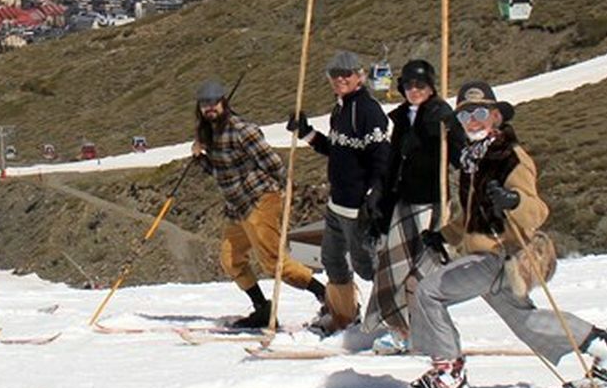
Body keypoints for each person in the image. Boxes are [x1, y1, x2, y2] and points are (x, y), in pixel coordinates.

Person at [408, 81, 607, 388]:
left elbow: (537, 210)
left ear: (496, 117)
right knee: (527, 322)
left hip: (500, 254)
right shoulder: (475, 160)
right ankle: (606, 347)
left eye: (480, 112)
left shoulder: (510, 157)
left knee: (429, 293)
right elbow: (474, 217)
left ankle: (448, 371)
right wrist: (443, 235)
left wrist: (513, 201)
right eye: (464, 115)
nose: (472, 120)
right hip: (486, 253)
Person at [346, 58, 467, 353]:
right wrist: (380, 203)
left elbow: (460, 158)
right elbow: (391, 165)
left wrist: (450, 128)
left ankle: (432, 334)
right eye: (409, 85)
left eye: (420, 86)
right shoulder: (399, 119)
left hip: (432, 204)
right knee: (392, 269)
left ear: (431, 87)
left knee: (423, 274)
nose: (414, 91)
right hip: (403, 203)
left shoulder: (441, 116)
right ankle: (401, 331)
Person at [192, 78, 326, 328]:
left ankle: (326, 296)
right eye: (204, 104)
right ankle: (262, 309)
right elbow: (220, 171)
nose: (209, 108)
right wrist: (200, 156)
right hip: (237, 207)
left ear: (224, 102)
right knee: (230, 259)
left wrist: (285, 190)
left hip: (259, 200)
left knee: (274, 263)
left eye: (214, 103)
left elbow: (273, 163)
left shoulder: (242, 130)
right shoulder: (211, 133)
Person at [288, 50, 390, 335]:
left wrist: (375, 192)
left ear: (360, 76)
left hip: (357, 207)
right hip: (337, 203)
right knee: (332, 260)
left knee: (367, 266)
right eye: (335, 75)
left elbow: (382, 155)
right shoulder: (341, 108)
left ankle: (395, 313)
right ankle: (343, 315)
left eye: (346, 74)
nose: (340, 79)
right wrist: (306, 133)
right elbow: (337, 151)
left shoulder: (367, 110)